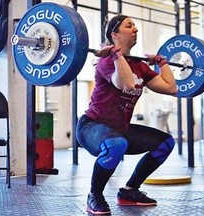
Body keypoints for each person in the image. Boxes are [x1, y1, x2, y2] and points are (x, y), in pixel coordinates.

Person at [76, 14, 178, 215]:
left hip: (119, 129)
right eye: (129, 26)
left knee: (165, 143)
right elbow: (127, 84)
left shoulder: (139, 66)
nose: (135, 29)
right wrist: (115, 55)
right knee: (116, 145)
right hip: (92, 127)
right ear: (115, 34)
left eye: (135, 26)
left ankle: (129, 191)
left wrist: (162, 62)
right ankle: (94, 195)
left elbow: (171, 88)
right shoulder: (107, 61)